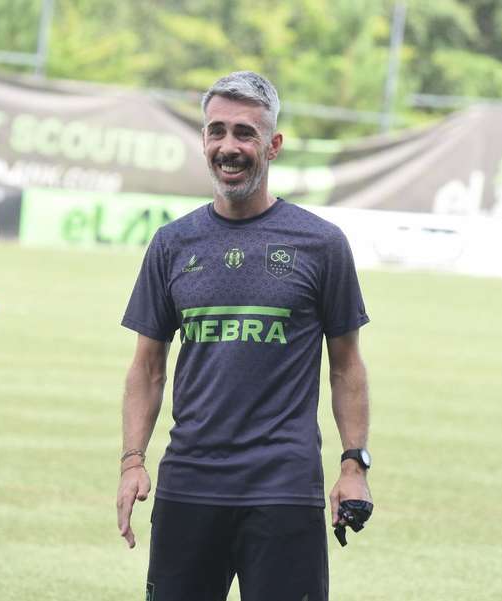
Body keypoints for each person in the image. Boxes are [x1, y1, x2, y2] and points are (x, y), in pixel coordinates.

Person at [115, 71, 373, 601]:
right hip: (189, 485)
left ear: (273, 145)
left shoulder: (321, 244)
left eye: (245, 133)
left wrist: (354, 464)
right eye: (217, 132)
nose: (228, 147)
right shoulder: (172, 243)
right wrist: (132, 461)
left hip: (283, 489)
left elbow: (346, 365)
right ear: (204, 141)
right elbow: (147, 366)